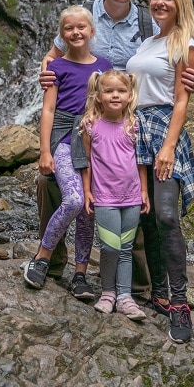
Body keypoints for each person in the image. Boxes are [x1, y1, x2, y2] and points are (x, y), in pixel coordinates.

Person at [37, 0, 194, 293]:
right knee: (51, 180)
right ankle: (52, 264)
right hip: (77, 118)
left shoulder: (147, 23)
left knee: (133, 190)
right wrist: (45, 72)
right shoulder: (83, 16)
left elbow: (173, 53)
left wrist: (191, 78)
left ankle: (138, 284)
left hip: (126, 121)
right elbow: (53, 55)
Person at [126, 0, 194, 344]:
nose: (159, 3)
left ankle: (181, 304)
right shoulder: (144, 44)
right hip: (135, 131)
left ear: (179, 1)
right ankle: (158, 294)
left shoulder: (184, 44)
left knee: (167, 215)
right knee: (147, 217)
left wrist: (168, 146)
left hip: (163, 130)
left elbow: (183, 99)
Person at [24, 6, 112, 295]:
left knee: (89, 207)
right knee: (74, 199)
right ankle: (42, 257)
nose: (75, 32)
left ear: (91, 31)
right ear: (62, 35)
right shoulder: (56, 66)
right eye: (68, 29)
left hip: (93, 141)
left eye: (81, 27)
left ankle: (81, 274)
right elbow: (48, 110)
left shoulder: (105, 66)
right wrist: (44, 152)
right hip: (63, 138)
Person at [81, 69, 149, 321]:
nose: (115, 96)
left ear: (130, 95)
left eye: (121, 91)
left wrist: (144, 190)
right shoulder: (91, 125)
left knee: (126, 247)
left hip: (131, 198)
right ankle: (107, 293)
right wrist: (87, 191)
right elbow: (86, 162)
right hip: (105, 199)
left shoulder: (134, 124)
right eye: (108, 91)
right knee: (110, 247)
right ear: (98, 96)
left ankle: (125, 297)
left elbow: (141, 162)